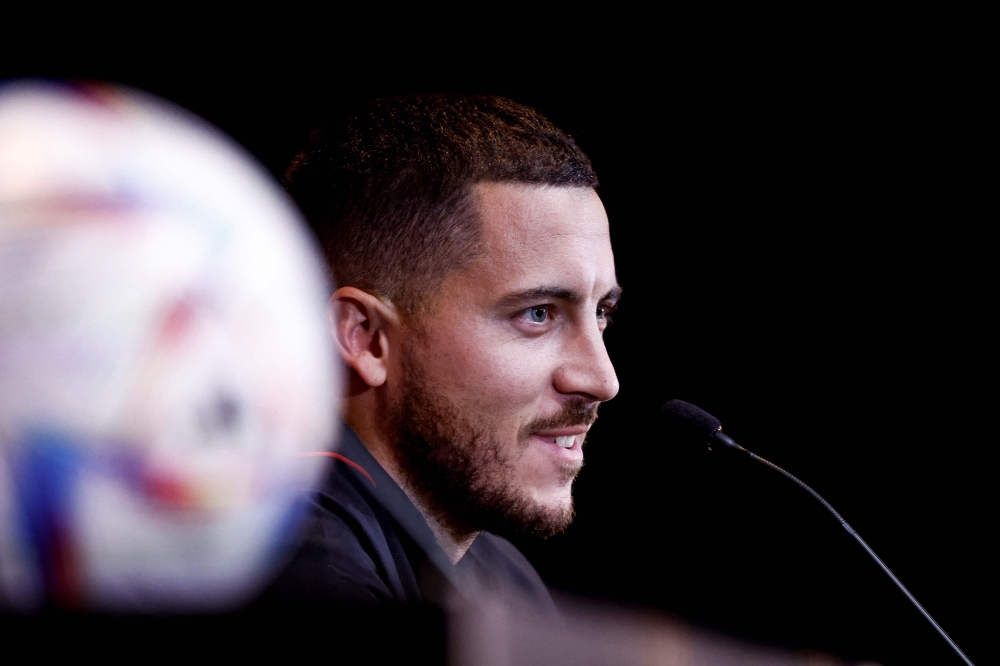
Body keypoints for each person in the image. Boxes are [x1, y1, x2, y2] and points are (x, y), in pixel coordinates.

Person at [265, 95, 620, 611]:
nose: (603, 379)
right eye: (538, 313)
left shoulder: (504, 578)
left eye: (602, 313)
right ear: (365, 337)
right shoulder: (297, 565)